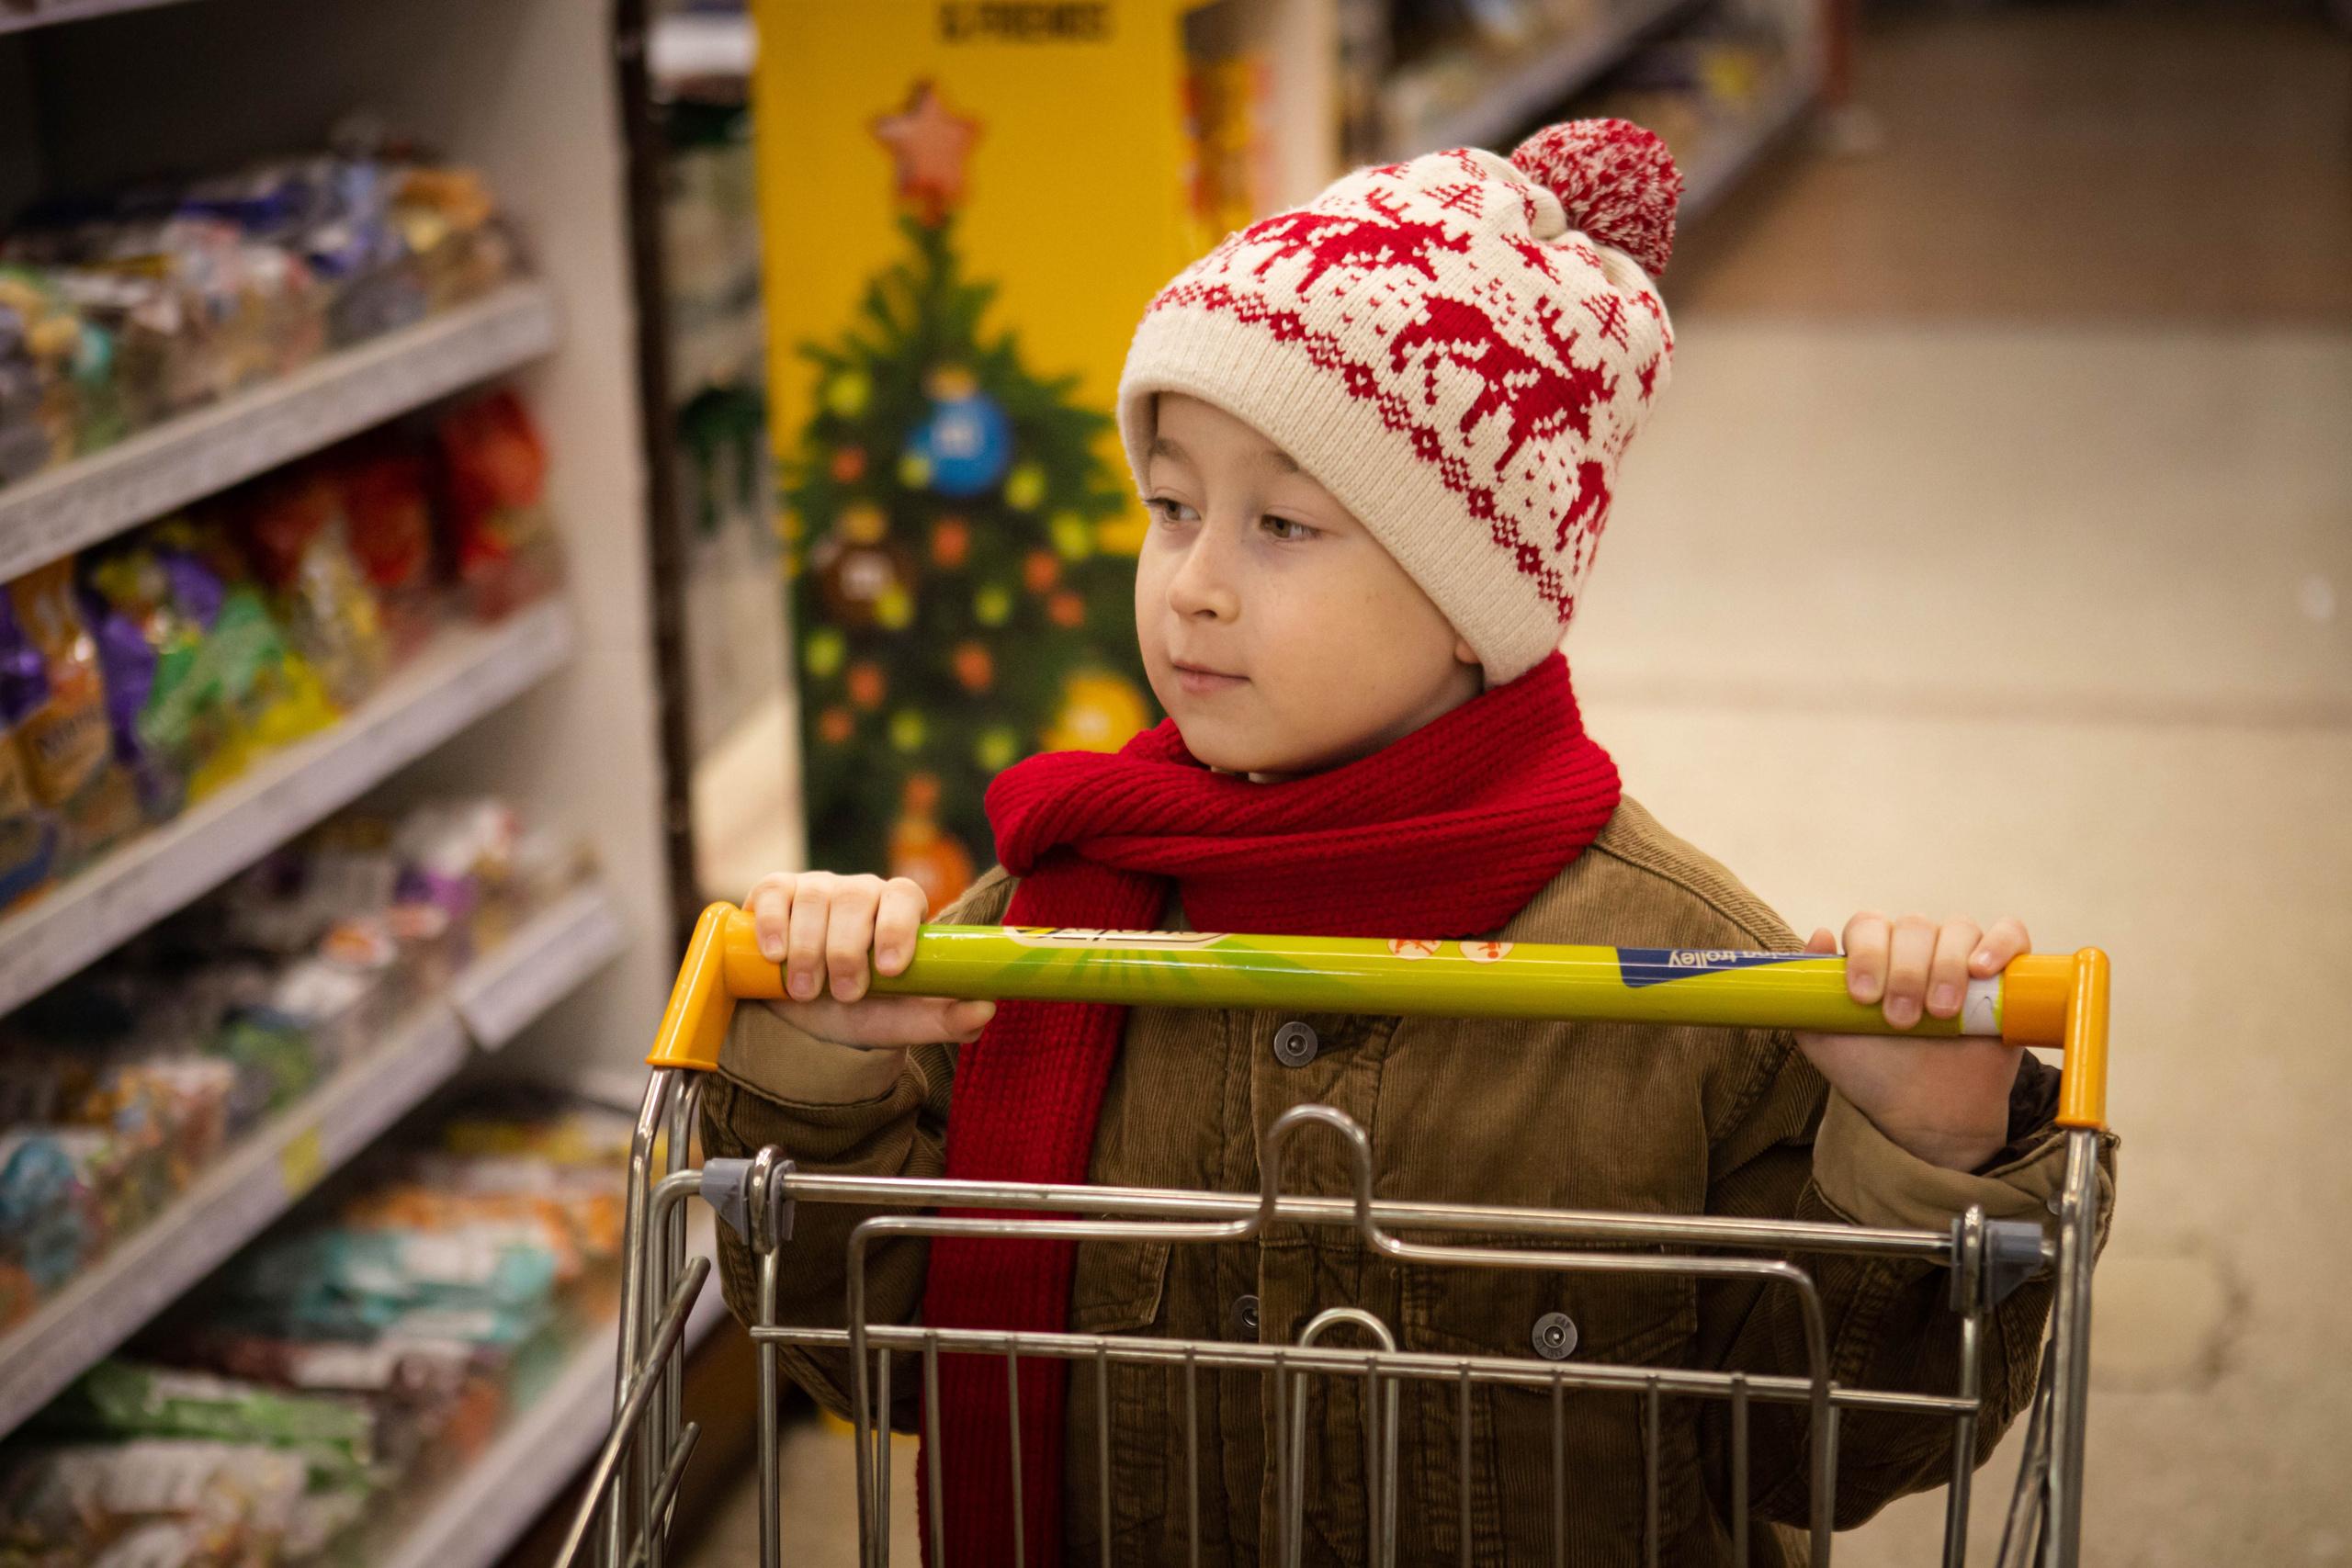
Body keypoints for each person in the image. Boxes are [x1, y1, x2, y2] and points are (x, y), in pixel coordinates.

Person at [704, 119, 2117, 1566]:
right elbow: (872, 1354)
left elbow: (1825, 1454)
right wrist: (819, 1064)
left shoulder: (1696, 983)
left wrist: (1923, 1148)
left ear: (1471, 594)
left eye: (1283, 527)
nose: (1191, 586)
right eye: (1171, 507)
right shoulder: (1046, 928)